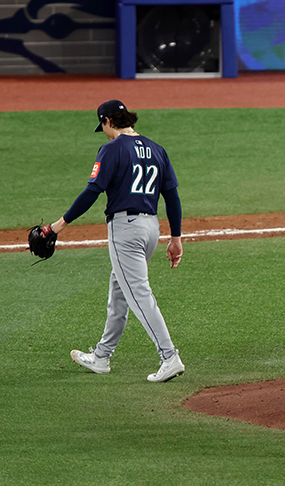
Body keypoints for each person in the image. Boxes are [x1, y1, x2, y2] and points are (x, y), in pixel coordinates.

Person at [56, 100, 185, 382]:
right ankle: (102, 356)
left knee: (139, 294)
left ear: (107, 122)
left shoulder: (112, 149)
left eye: (102, 126)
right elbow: (172, 196)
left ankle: (169, 356)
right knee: (119, 289)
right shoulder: (156, 148)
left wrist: (59, 224)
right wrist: (176, 237)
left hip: (126, 230)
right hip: (152, 228)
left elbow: (93, 191)